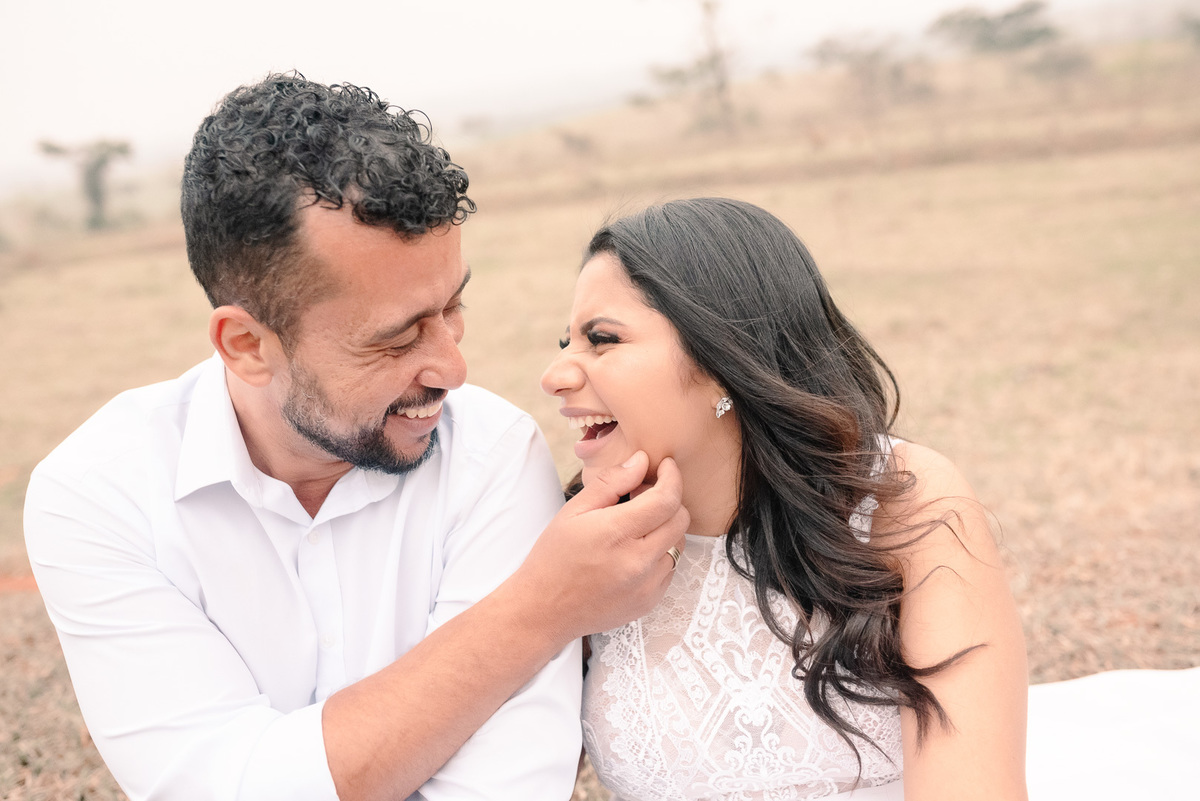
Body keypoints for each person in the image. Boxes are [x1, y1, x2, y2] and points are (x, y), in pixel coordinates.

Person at [23, 74, 689, 801]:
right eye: (396, 339)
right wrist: (534, 610)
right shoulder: (96, 493)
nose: (453, 368)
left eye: (453, 307)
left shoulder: (495, 456)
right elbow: (217, 785)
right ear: (246, 343)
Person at [541, 198, 1029, 800]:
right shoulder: (582, 541)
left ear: (720, 361)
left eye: (602, 340)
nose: (557, 374)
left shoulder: (904, 500)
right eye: (568, 342)